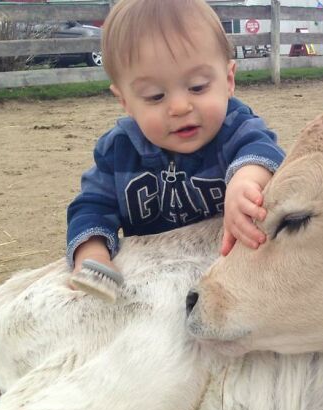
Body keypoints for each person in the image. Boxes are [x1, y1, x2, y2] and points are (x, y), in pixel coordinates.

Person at [66, 0, 285, 279]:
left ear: (228, 80)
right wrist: (92, 252)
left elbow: (263, 150)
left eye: (197, 87)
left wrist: (247, 180)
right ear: (125, 102)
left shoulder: (235, 128)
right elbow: (90, 206)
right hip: (157, 278)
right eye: (156, 96)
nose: (180, 107)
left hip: (230, 270)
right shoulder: (118, 151)